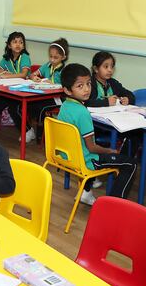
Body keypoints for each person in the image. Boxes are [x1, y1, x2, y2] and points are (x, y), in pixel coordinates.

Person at [57, 63, 137, 206]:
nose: (87, 89)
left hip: (67, 156)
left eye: (88, 84)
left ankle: (86, 193)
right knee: (130, 163)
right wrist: (110, 150)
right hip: (86, 160)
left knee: (116, 154)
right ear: (68, 90)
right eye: (80, 86)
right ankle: (112, 205)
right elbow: (92, 148)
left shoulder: (65, 107)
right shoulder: (82, 113)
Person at [24, 38, 69, 143]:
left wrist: (54, 84)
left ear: (63, 57)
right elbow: (32, 74)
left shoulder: (65, 70)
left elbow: (67, 88)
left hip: (58, 99)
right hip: (44, 95)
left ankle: (40, 136)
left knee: (41, 108)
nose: (52, 60)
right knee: (31, 105)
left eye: (56, 57)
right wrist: (33, 77)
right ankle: (32, 130)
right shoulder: (47, 66)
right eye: (50, 56)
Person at [0, 32, 31, 133]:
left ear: (23, 45)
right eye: (15, 42)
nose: (18, 44)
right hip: (10, 89)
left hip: (23, 90)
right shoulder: (7, 57)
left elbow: (24, 74)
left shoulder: (24, 57)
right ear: (9, 45)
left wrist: (7, 75)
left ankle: (28, 131)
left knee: (13, 109)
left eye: (21, 42)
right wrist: (4, 72)